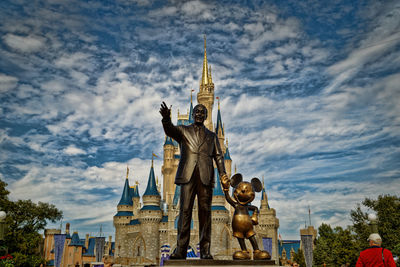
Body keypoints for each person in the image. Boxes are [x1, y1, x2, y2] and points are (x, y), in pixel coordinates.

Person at [160, 102, 228, 260]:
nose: (198, 114)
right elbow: (170, 130)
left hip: (205, 176)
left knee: (205, 213)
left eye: (201, 112)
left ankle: (205, 250)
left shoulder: (211, 136)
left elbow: (218, 156)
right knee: (184, 212)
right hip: (188, 175)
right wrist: (165, 119)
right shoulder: (184, 130)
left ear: (205, 116)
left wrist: (223, 174)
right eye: (196, 112)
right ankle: (181, 250)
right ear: (193, 115)